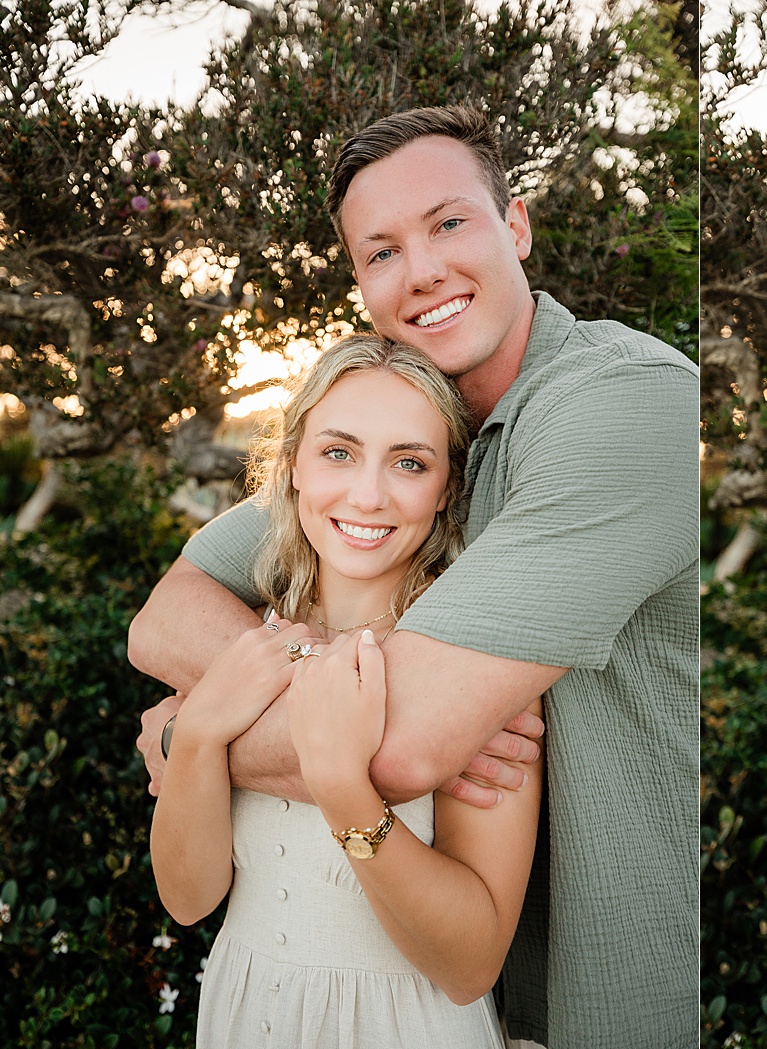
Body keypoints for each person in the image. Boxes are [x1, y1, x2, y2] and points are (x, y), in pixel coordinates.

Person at [129, 105, 697, 1049]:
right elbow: (165, 618)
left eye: (449, 222)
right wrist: (261, 707)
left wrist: (196, 727)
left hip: (620, 996)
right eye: (381, 251)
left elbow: (403, 749)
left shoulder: (626, 404)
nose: (422, 268)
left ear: (516, 225)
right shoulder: (414, 447)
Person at [150, 335, 539, 1047]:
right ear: (293, 464)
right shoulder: (250, 646)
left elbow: (469, 964)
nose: (367, 494)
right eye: (338, 452)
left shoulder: (476, 666)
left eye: (410, 462)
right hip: (242, 1015)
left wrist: (341, 784)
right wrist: (201, 728)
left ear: (448, 485)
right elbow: (188, 898)